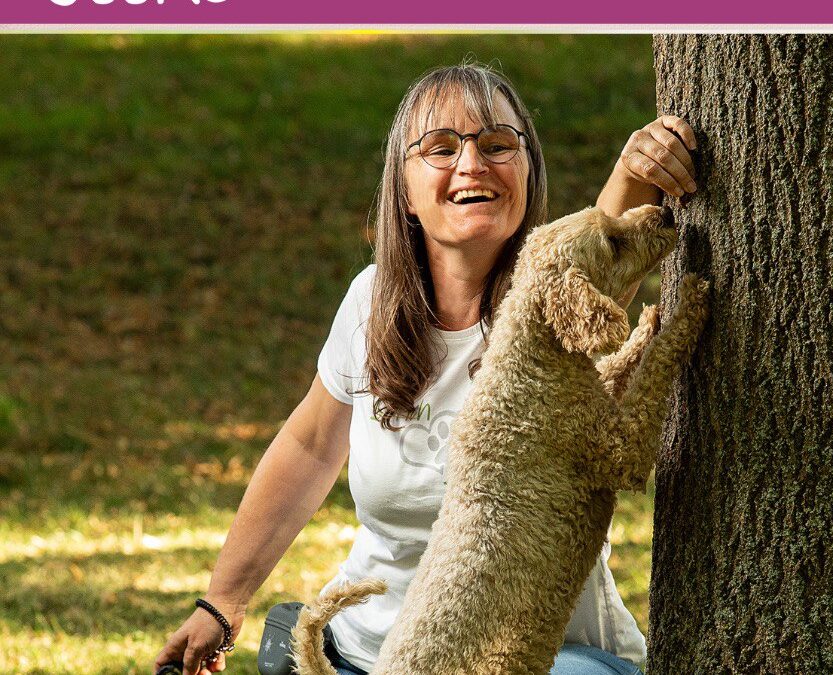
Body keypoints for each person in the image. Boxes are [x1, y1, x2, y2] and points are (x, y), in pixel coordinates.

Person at [154, 63, 697, 675]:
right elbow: (308, 447)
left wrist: (635, 171)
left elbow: (604, 248)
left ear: (527, 171)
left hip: (542, 659)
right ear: (405, 192)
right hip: (371, 654)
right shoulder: (371, 300)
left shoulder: (547, 299)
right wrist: (221, 603)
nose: (472, 164)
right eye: (441, 148)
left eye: (498, 145)